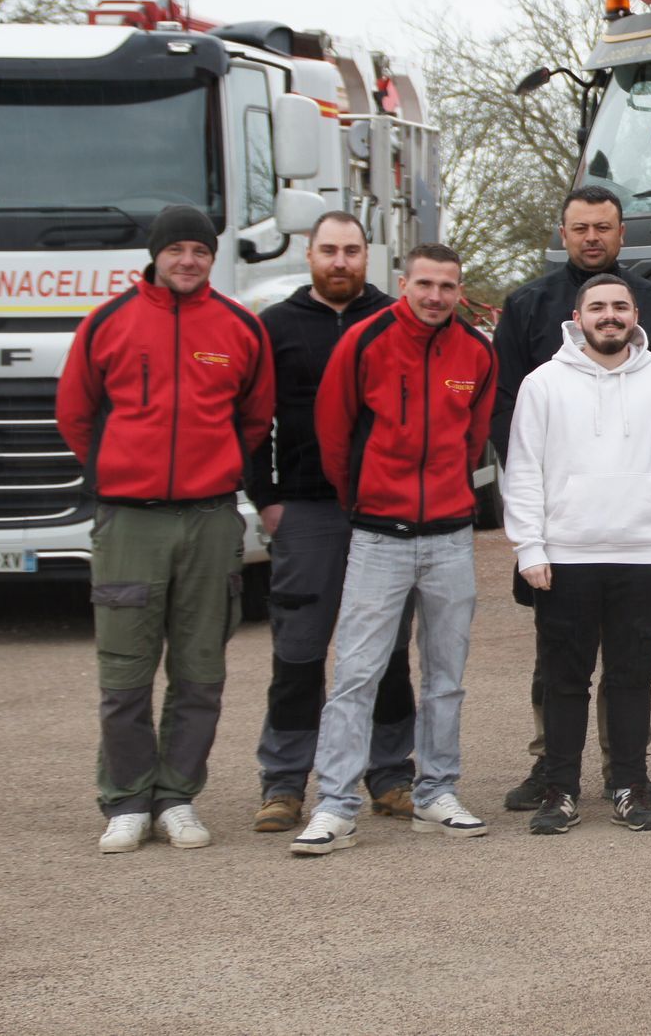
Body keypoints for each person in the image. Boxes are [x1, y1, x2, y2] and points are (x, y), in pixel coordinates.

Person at [57, 206, 274, 854]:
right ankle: (126, 799)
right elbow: (75, 413)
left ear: (212, 257)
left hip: (209, 520)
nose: (188, 260)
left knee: (200, 668)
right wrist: (118, 472)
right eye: (176, 249)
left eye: (199, 251)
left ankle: (177, 795)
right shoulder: (109, 322)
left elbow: (254, 416)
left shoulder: (239, 327)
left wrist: (214, 469)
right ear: (155, 254)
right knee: (124, 668)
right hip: (129, 522)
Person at [290, 244, 496, 856]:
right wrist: (366, 500)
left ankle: (436, 790)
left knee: (445, 676)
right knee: (356, 673)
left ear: (460, 291)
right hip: (379, 536)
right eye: (425, 283)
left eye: (448, 286)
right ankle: (335, 805)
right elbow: (334, 433)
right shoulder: (365, 341)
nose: (436, 296)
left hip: (450, 538)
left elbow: (473, 438)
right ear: (404, 283)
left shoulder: (477, 351)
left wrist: (448, 499)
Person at [494, 185, 651, 812]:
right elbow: (510, 422)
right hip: (564, 536)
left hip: (637, 543)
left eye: (602, 227)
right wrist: (532, 535)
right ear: (564, 233)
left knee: (631, 671)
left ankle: (624, 773)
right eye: (580, 228)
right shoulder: (527, 308)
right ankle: (552, 773)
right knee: (559, 669)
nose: (591, 237)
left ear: (621, 233)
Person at [245, 212, 419, 834]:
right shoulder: (276, 326)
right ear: (310, 255)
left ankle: (390, 774)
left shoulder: (393, 320)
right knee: (298, 652)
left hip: (382, 511)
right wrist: (267, 498)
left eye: (351, 250)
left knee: (387, 651)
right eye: (329, 250)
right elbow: (252, 418)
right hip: (307, 509)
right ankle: (284, 781)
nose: (340, 261)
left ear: (367, 256)